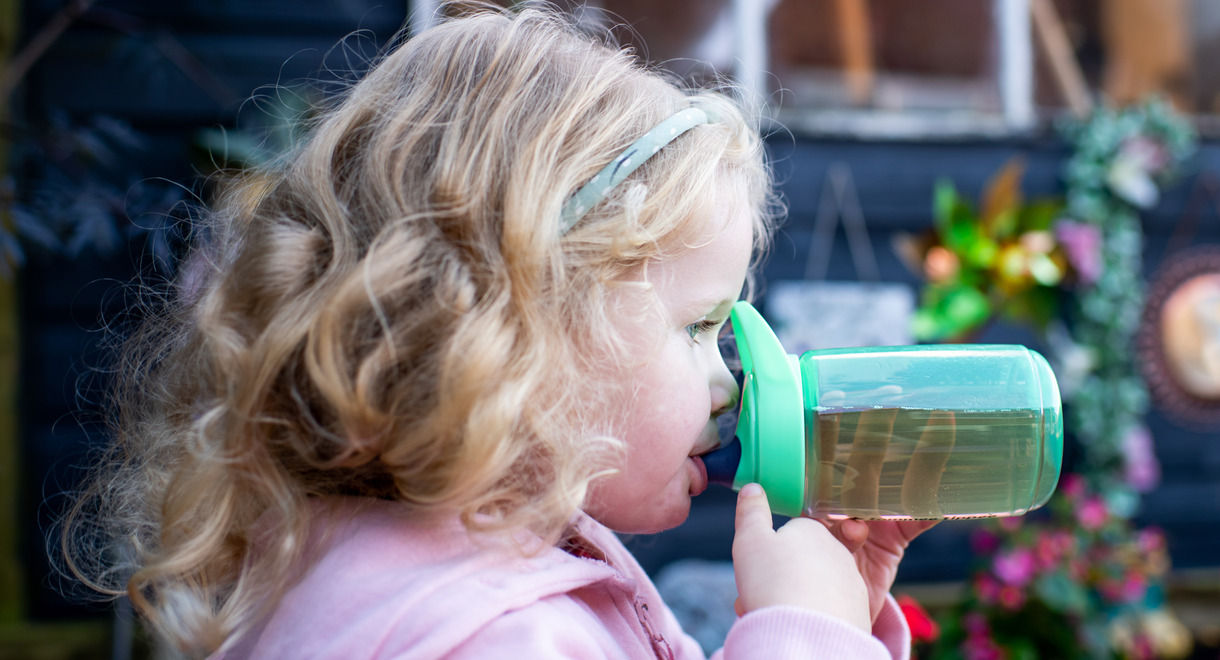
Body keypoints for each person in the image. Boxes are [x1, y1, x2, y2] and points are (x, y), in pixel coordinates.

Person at [65, 5, 934, 658]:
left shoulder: (407, 563)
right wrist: (806, 637)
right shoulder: (497, 635)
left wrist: (832, 618)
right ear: (517, 328)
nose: (731, 381)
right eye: (697, 328)